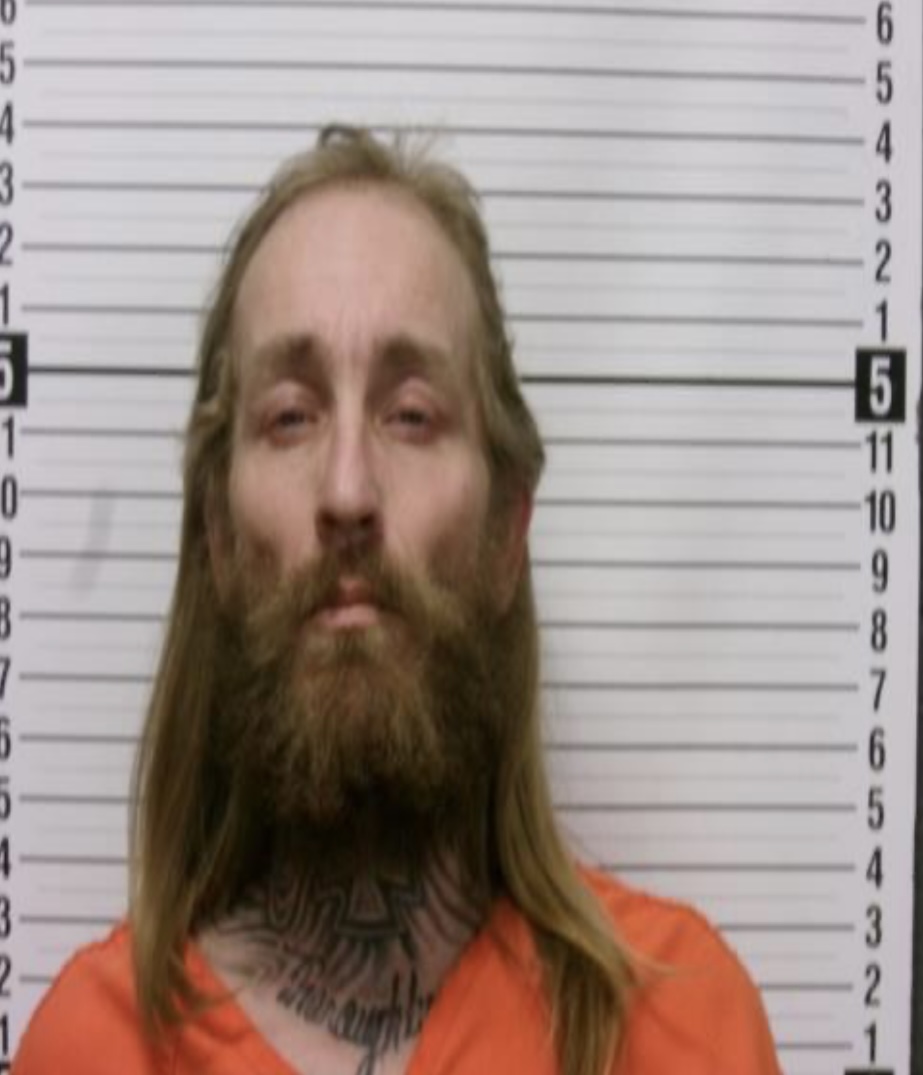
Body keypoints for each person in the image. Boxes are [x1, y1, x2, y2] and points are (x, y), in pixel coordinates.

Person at [13, 125, 782, 1075]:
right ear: (217, 534)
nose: (347, 490)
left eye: (411, 415)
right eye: (290, 416)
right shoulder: (91, 1048)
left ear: (507, 530)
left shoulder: (684, 1027)